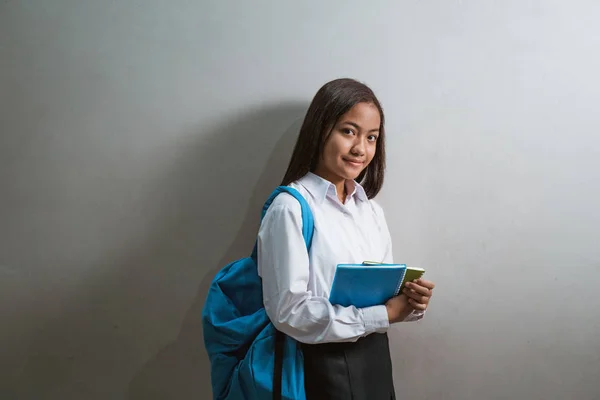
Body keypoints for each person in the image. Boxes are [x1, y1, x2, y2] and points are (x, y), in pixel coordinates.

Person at [257, 78, 436, 400]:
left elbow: (380, 292)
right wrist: (384, 314)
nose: (361, 149)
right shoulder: (290, 208)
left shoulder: (370, 211)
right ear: (320, 130)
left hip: (374, 359)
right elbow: (289, 312)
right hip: (319, 367)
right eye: (348, 131)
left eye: (371, 137)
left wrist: (408, 302)